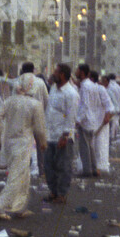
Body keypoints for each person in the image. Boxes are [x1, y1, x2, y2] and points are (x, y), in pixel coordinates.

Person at [0, 73, 48, 219]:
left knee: (24, 175)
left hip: (10, 142)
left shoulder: (10, 101)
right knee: (17, 176)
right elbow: (40, 129)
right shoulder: (36, 105)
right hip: (23, 143)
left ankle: (19, 207)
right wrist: (43, 143)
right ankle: (0, 206)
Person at [43, 63, 79, 204]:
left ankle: (62, 194)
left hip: (62, 136)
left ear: (63, 74)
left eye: (56, 72)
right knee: (49, 165)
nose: (54, 74)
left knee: (63, 166)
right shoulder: (53, 89)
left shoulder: (71, 93)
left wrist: (65, 136)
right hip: (50, 134)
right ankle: (53, 191)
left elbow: (71, 117)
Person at [75, 65, 113, 177]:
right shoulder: (93, 86)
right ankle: (93, 169)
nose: (75, 72)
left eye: (77, 70)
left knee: (84, 147)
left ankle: (87, 171)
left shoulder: (85, 86)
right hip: (92, 120)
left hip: (86, 120)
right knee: (90, 146)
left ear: (82, 72)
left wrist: (78, 119)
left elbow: (85, 105)